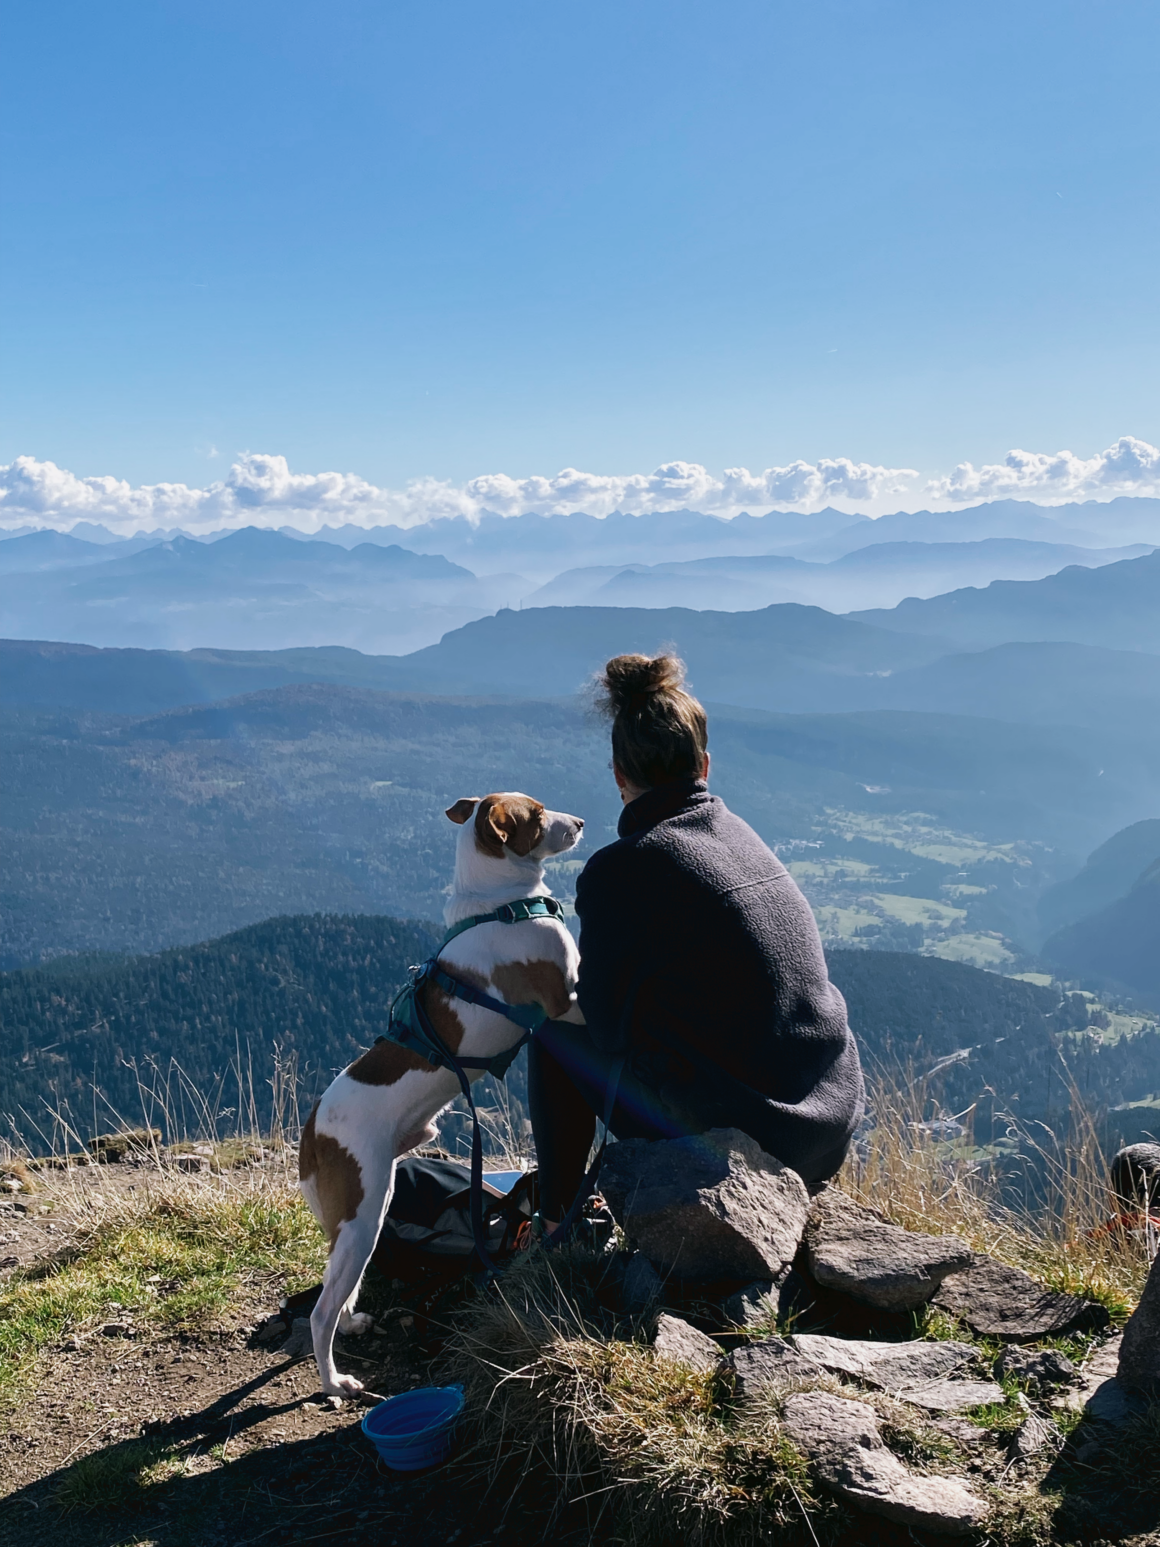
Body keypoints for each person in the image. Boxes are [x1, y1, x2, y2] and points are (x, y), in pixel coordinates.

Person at [529, 652, 864, 1227]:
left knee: (552, 1037)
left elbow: (605, 1028)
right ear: (704, 765)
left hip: (755, 1140)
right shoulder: (741, 835)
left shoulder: (622, 870)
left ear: (618, 776)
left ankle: (554, 1222)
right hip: (827, 1124)